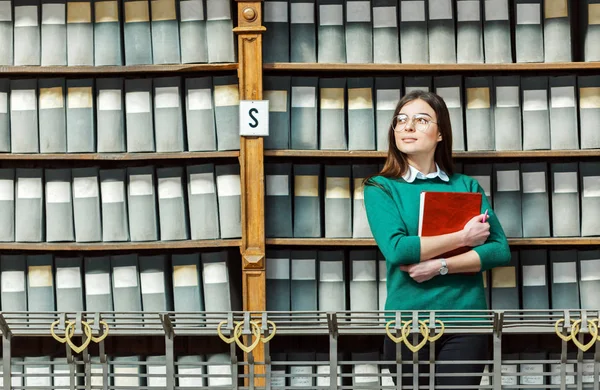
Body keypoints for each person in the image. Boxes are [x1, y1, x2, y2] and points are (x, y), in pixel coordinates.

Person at [363, 90, 511, 387]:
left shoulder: (466, 185)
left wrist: (439, 265)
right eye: (401, 120)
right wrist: (463, 236)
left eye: (421, 120)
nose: (408, 126)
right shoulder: (380, 187)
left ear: (440, 133)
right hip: (407, 323)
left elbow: (499, 250)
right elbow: (398, 250)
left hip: (465, 321)